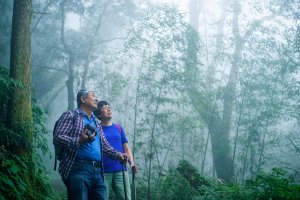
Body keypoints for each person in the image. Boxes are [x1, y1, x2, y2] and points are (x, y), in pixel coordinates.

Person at [53, 90, 127, 200]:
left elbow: (104, 145)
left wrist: (118, 155)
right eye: (93, 95)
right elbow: (58, 137)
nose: (97, 98)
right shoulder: (71, 115)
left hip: (98, 171)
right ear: (82, 99)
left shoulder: (97, 122)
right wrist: (79, 140)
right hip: (78, 170)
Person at [94, 101, 138, 200]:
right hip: (103, 171)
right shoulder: (96, 129)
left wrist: (132, 164)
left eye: (109, 107)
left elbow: (126, 148)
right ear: (98, 113)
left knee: (125, 198)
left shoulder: (118, 128)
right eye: (105, 108)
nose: (109, 109)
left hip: (121, 170)